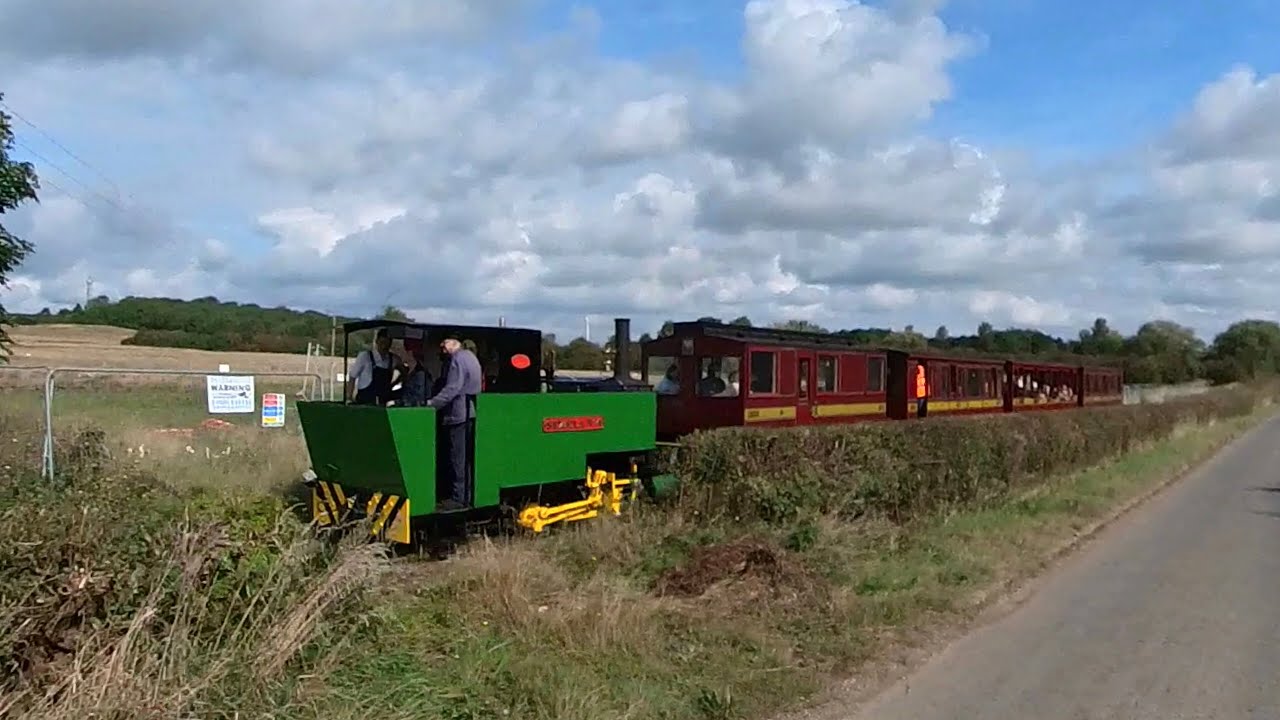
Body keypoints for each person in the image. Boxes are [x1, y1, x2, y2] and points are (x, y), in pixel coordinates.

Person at [426, 337, 483, 510]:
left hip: (457, 414)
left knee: (457, 457)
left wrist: (431, 403)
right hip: (470, 412)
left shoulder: (457, 360)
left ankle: (458, 498)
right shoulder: (471, 358)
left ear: (453, 343)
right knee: (465, 458)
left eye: (444, 345)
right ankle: (465, 494)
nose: (442, 349)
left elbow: (452, 388)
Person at [347, 329, 394, 405]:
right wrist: (349, 398)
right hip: (364, 401)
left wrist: (393, 385)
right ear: (376, 341)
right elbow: (352, 376)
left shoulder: (392, 359)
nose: (384, 346)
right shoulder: (365, 356)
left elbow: (404, 371)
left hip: (383, 403)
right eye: (382, 343)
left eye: (387, 344)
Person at [391, 340, 430, 407]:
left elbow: (419, 398)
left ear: (410, 352)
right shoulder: (405, 372)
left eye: (400, 350)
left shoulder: (420, 375)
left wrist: (397, 402)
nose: (398, 354)